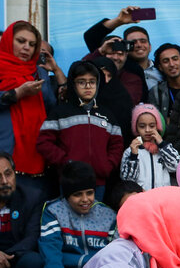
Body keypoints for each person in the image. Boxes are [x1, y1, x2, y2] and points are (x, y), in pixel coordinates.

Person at [0, 21, 57, 195]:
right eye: (21, 41)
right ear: (9, 40)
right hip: (2, 147)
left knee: (31, 208)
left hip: (35, 149)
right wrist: (17, 93)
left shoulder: (39, 72)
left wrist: (55, 71)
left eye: (32, 44)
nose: (27, 47)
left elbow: (51, 106)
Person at [37, 61, 124, 200]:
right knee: (68, 219)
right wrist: (66, 162)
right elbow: (44, 143)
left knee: (96, 219)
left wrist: (107, 165)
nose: (88, 86)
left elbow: (117, 145)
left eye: (92, 82)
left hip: (98, 181)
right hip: (70, 180)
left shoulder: (107, 115)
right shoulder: (61, 112)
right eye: (81, 82)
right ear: (73, 84)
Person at [82, 6, 162, 96]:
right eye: (133, 42)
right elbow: (91, 36)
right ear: (124, 46)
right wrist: (118, 21)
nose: (139, 45)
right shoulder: (115, 63)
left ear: (150, 46)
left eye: (143, 41)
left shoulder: (162, 68)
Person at [120, 103, 180, 193]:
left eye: (152, 126)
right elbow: (127, 180)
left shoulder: (164, 149)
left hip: (163, 198)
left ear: (158, 127)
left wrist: (162, 145)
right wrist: (133, 156)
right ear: (136, 128)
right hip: (142, 200)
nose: (147, 130)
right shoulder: (131, 151)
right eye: (142, 126)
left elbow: (177, 166)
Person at [146, 43, 180, 154]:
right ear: (160, 67)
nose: (172, 64)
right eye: (166, 61)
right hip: (170, 150)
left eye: (175, 59)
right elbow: (156, 127)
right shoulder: (155, 92)